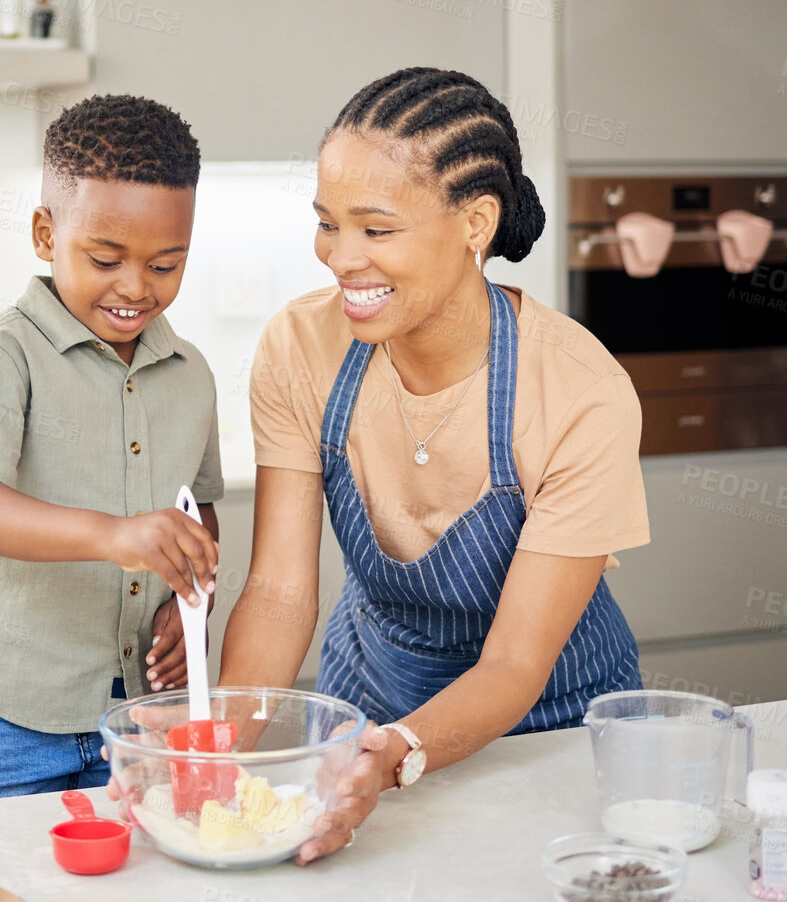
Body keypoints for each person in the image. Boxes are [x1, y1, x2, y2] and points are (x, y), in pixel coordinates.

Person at [217, 67, 649, 861]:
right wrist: (218, 756)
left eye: (376, 231)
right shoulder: (299, 347)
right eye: (326, 224)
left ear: (475, 222)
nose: (341, 259)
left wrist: (398, 753)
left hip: (543, 724)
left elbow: (515, 661)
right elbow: (279, 592)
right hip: (366, 699)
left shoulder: (578, 393)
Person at [0, 93, 222, 802]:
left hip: (137, 709)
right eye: (105, 257)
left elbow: (196, 509)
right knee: (7, 885)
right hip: (6, 705)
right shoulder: (1, 356)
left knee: (123, 890)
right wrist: (113, 536)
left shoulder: (191, 375)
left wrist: (188, 601)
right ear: (43, 233)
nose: (134, 287)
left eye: (164, 264)